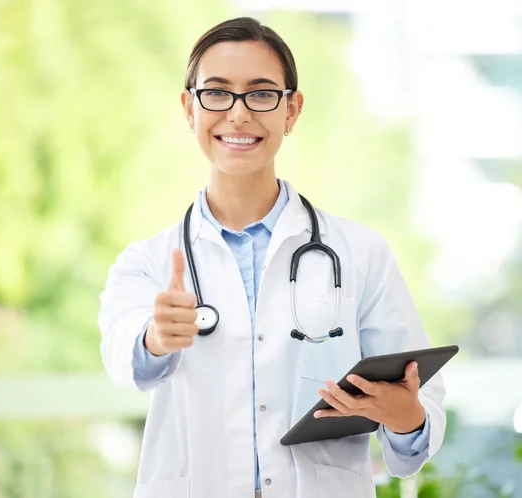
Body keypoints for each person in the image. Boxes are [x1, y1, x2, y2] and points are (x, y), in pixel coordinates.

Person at [98, 16, 446, 498]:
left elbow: (419, 414)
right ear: (188, 107)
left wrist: (407, 418)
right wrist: (156, 337)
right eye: (217, 93)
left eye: (261, 94)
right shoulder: (147, 263)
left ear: (292, 110)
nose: (238, 115)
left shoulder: (361, 254)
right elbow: (123, 357)